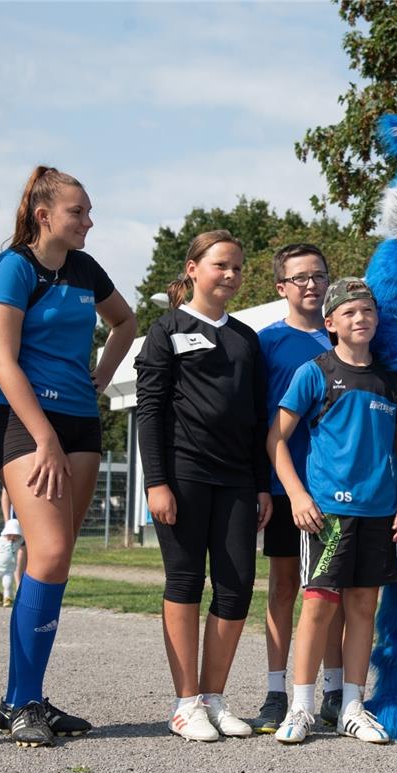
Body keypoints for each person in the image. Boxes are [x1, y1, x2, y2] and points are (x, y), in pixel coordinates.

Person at [0, 166, 135, 747]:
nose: (89, 222)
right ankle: (21, 701)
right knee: (45, 553)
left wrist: (99, 377)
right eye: (79, 212)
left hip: (79, 420)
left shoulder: (85, 269)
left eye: (90, 212)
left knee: (57, 560)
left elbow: (124, 322)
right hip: (25, 423)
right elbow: (1, 360)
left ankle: (26, 697)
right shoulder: (13, 268)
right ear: (44, 215)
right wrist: (43, 436)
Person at [267, 277, 397, 746]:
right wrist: (297, 496)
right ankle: (302, 707)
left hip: (380, 513)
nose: (361, 319)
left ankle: (352, 705)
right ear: (330, 323)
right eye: (350, 312)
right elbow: (275, 439)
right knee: (317, 606)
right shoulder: (314, 372)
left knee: (362, 607)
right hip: (329, 513)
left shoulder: (393, 380)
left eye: (367, 311)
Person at [134, 230, 271, 742]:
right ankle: (185, 703)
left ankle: (214, 699)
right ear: (193, 269)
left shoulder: (246, 339)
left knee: (236, 588)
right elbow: (149, 412)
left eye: (237, 267)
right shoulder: (165, 330)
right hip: (183, 475)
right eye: (220, 266)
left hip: (237, 479)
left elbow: (258, 420)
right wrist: (157, 483)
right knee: (186, 582)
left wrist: (260, 485)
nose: (231, 275)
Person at [253, 243, 345, 734]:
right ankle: (274, 691)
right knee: (286, 586)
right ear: (282, 287)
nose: (312, 284)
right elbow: (257, 423)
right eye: (301, 277)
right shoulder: (267, 342)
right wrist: (261, 486)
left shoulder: (347, 337)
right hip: (287, 487)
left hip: (340, 488)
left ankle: (333, 690)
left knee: (332, 591)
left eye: (319, 274)